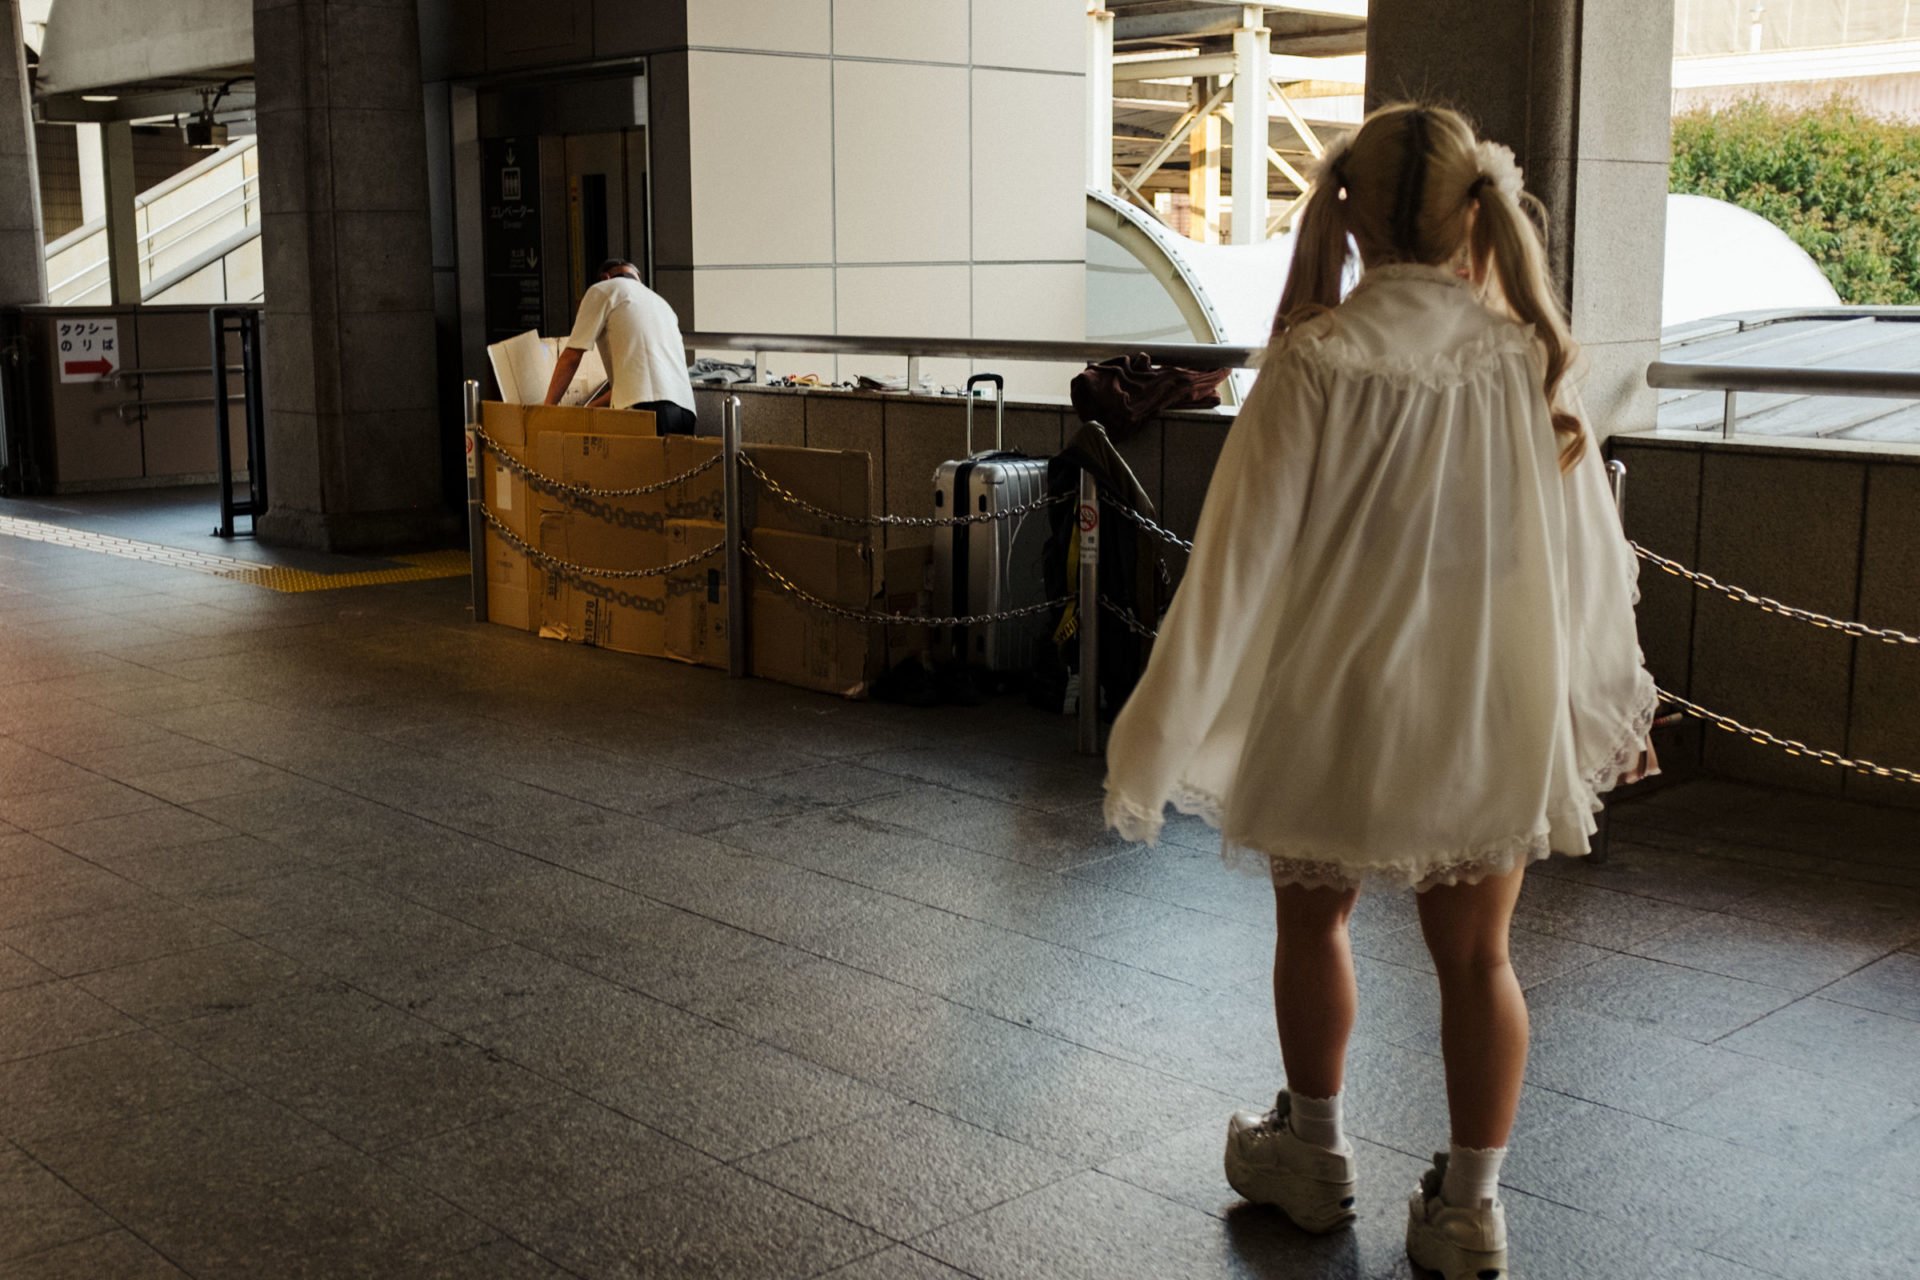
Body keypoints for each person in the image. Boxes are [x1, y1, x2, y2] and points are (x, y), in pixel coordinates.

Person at [1101, 103, 1657, 1280]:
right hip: (1481, 699)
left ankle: (1310, 1151)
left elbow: (1237, 562)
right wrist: (1604, 699)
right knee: (1479, 959)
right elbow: (1582, 559)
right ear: (1476, 215)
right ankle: (1469, 1208)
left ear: (1347, 214)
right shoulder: (1524, 362)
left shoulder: (1313, 358)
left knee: (1315, 921)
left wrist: (1156, 734)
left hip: (1336, 695)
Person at [543, 259, 699, 435]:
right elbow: (635, 382)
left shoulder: (603, 289)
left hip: (647, 410)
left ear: (605, 277)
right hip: (686, 412)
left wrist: (545, 413)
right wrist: (587, 410)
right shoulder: (661, 303)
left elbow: (571, 357)